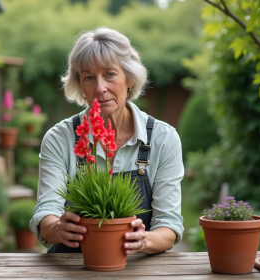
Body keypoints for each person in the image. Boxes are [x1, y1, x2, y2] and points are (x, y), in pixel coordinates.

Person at [30, 27, 184, 255]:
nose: (100, 88)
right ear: (80, 87)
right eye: (89, 77)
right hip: (71, 267)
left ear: (130, 78)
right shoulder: (59, 138)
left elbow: (169, 225)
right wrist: (57, 228)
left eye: (110, 74)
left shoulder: (163, 138)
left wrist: (143, 240)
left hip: (138, 269)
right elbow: (46, 213)